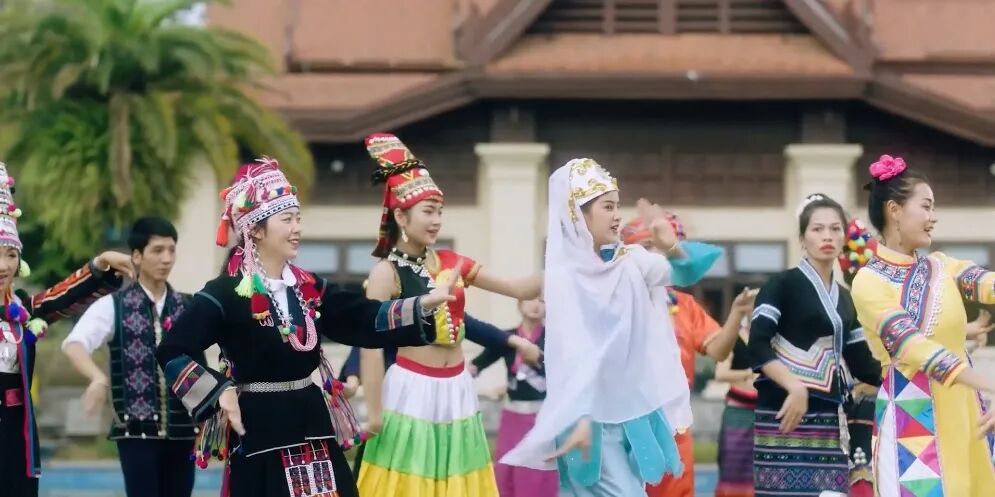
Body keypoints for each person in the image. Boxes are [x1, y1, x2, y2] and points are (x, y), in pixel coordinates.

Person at [155, 158, 457, 497]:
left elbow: (360, 317)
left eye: (298, 218)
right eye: (287, 219)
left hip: (313, 424)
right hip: (260, 431)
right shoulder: (224, 293)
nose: (297, 228)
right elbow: (173, 349)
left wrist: (421, 305)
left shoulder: (308, 287)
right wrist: (219, 391)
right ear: (255, 229)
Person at [502, 158, 719, 497]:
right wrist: (469, 274)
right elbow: (573, 356)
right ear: (579, 214)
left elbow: (686, 271)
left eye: (617, 206)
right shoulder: (567, 278)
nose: (617, 215)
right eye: (607, 207)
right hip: (587, 419)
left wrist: (670, 246)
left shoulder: (631, 261)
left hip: (628, 414)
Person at [356, 133, 541, 496]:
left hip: (457, 388)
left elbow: (519, 289)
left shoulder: (453, 262)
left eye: (439, 212)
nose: (437, 220)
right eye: (428, 211)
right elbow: (370, 348)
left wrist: (571, 261)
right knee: (409, 485)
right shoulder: (385, 274)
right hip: (412, 389)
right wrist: (374, 412)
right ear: (400, 215)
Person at [851, 155, 995, 496]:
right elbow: (912, 347)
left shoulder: (943, 267)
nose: (934, 217)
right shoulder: (868, 281)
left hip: (968, 416)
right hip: (912, 422)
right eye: (926, 206)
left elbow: (988, 284)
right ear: (895, 210)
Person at [0, 162, 133, 496]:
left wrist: (100, 263)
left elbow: (61, 297)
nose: (4, 265)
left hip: (14, 440)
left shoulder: (22, 312)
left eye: (10, 254)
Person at [749, 193, 881, 497]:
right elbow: (757, 344)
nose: (827, 236)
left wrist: (910, 376)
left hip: (829, 424)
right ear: (802, 238)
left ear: (844, 237)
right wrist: (794, 386)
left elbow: (864, 365)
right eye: (817, 229)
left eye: (835, 229)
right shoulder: (780, 285)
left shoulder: (845, 298)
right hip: (784, 413)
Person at [621, 213, 755, 497]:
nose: (653, 255)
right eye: (646, 247)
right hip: (623, 428)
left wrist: (736, 314)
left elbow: (718, 350)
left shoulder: (684, 305)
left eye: (661, 247)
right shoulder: (612, 302)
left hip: (674, 426)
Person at [62, 216, 199, 497]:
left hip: (184, 431)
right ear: (137, 256)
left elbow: (200, 364)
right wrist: (97, 378)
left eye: (171, 250)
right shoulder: (114, 305)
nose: (166, 258)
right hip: (136, 432)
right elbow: (74, 344)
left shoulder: (189, 306)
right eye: (157, 250)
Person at [470, 298, 558, 497]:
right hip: (512, 417)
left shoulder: (553, 338)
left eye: (542, 300)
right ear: (519, 303)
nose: (536, 304)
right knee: (506, 469)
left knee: (536, 474)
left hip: (542, 417)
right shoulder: (507, 338)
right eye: (530, 298)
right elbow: (477, 364)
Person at [713, 316, 756, 497]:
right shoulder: (733, 337)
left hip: (763, 413)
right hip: (738, 412)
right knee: (733, 467)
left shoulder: (769, 337)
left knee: (761, 469)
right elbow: (720, 373)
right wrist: (748, 373)